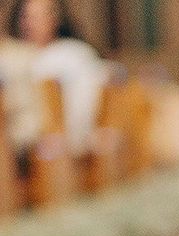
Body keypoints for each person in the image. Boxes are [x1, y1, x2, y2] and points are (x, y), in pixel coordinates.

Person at [2, 0, 109, 154]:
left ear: (55, 19)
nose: (29, 24)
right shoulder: (12, 55)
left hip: (55, 143)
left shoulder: (72, 55)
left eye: (37, 17)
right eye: (25, 17)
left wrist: (72, 138)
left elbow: (83, 107)